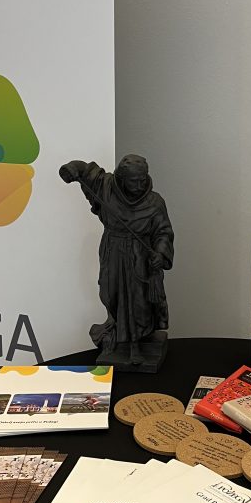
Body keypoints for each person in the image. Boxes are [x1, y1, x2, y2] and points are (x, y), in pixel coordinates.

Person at [59, 155, 174, 366]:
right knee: (111, 293)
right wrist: (71, 169)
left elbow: (163, 232)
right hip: (112, 251)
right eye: (133, 181)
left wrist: (160, 253)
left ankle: (135, 344)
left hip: (139, 256)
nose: (139, 186)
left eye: (142, 180)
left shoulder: (155, 202)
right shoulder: (107, 188)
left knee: (138, 300)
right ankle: (119, 334)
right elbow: (86, 171)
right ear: (121, 178)